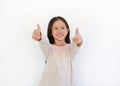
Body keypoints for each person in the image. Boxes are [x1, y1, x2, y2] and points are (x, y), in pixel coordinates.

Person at [32, 16, 83, 86]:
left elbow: (77, 45)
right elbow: (43, 42)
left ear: (67, 30)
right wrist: (39, 36)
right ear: (51, 32)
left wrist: (79, 40)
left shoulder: (70, 49)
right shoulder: (49, 49)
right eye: (56, 28)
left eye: (62, 28)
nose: (60, 31)